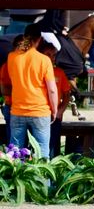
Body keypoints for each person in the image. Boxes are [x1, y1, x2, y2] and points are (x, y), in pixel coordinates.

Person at [7, 25, 58, 156]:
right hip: (40, 111)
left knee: (15, 153)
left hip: (17, 110)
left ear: (24, 37)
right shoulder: (44, 60)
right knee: (41, 152)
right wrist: (54, 109)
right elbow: (52, 90)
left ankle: (17, 177)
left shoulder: (12, 57)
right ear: (39, 39)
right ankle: (41, 177)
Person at [38, 35, 71, 157]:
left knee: (53, 146)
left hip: (55, 116)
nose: (51, 58)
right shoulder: (37, 71)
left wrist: (60, 110)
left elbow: (67, 94)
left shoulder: (59, 73)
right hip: (40, 114)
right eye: (48, 55)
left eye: (53, 55)